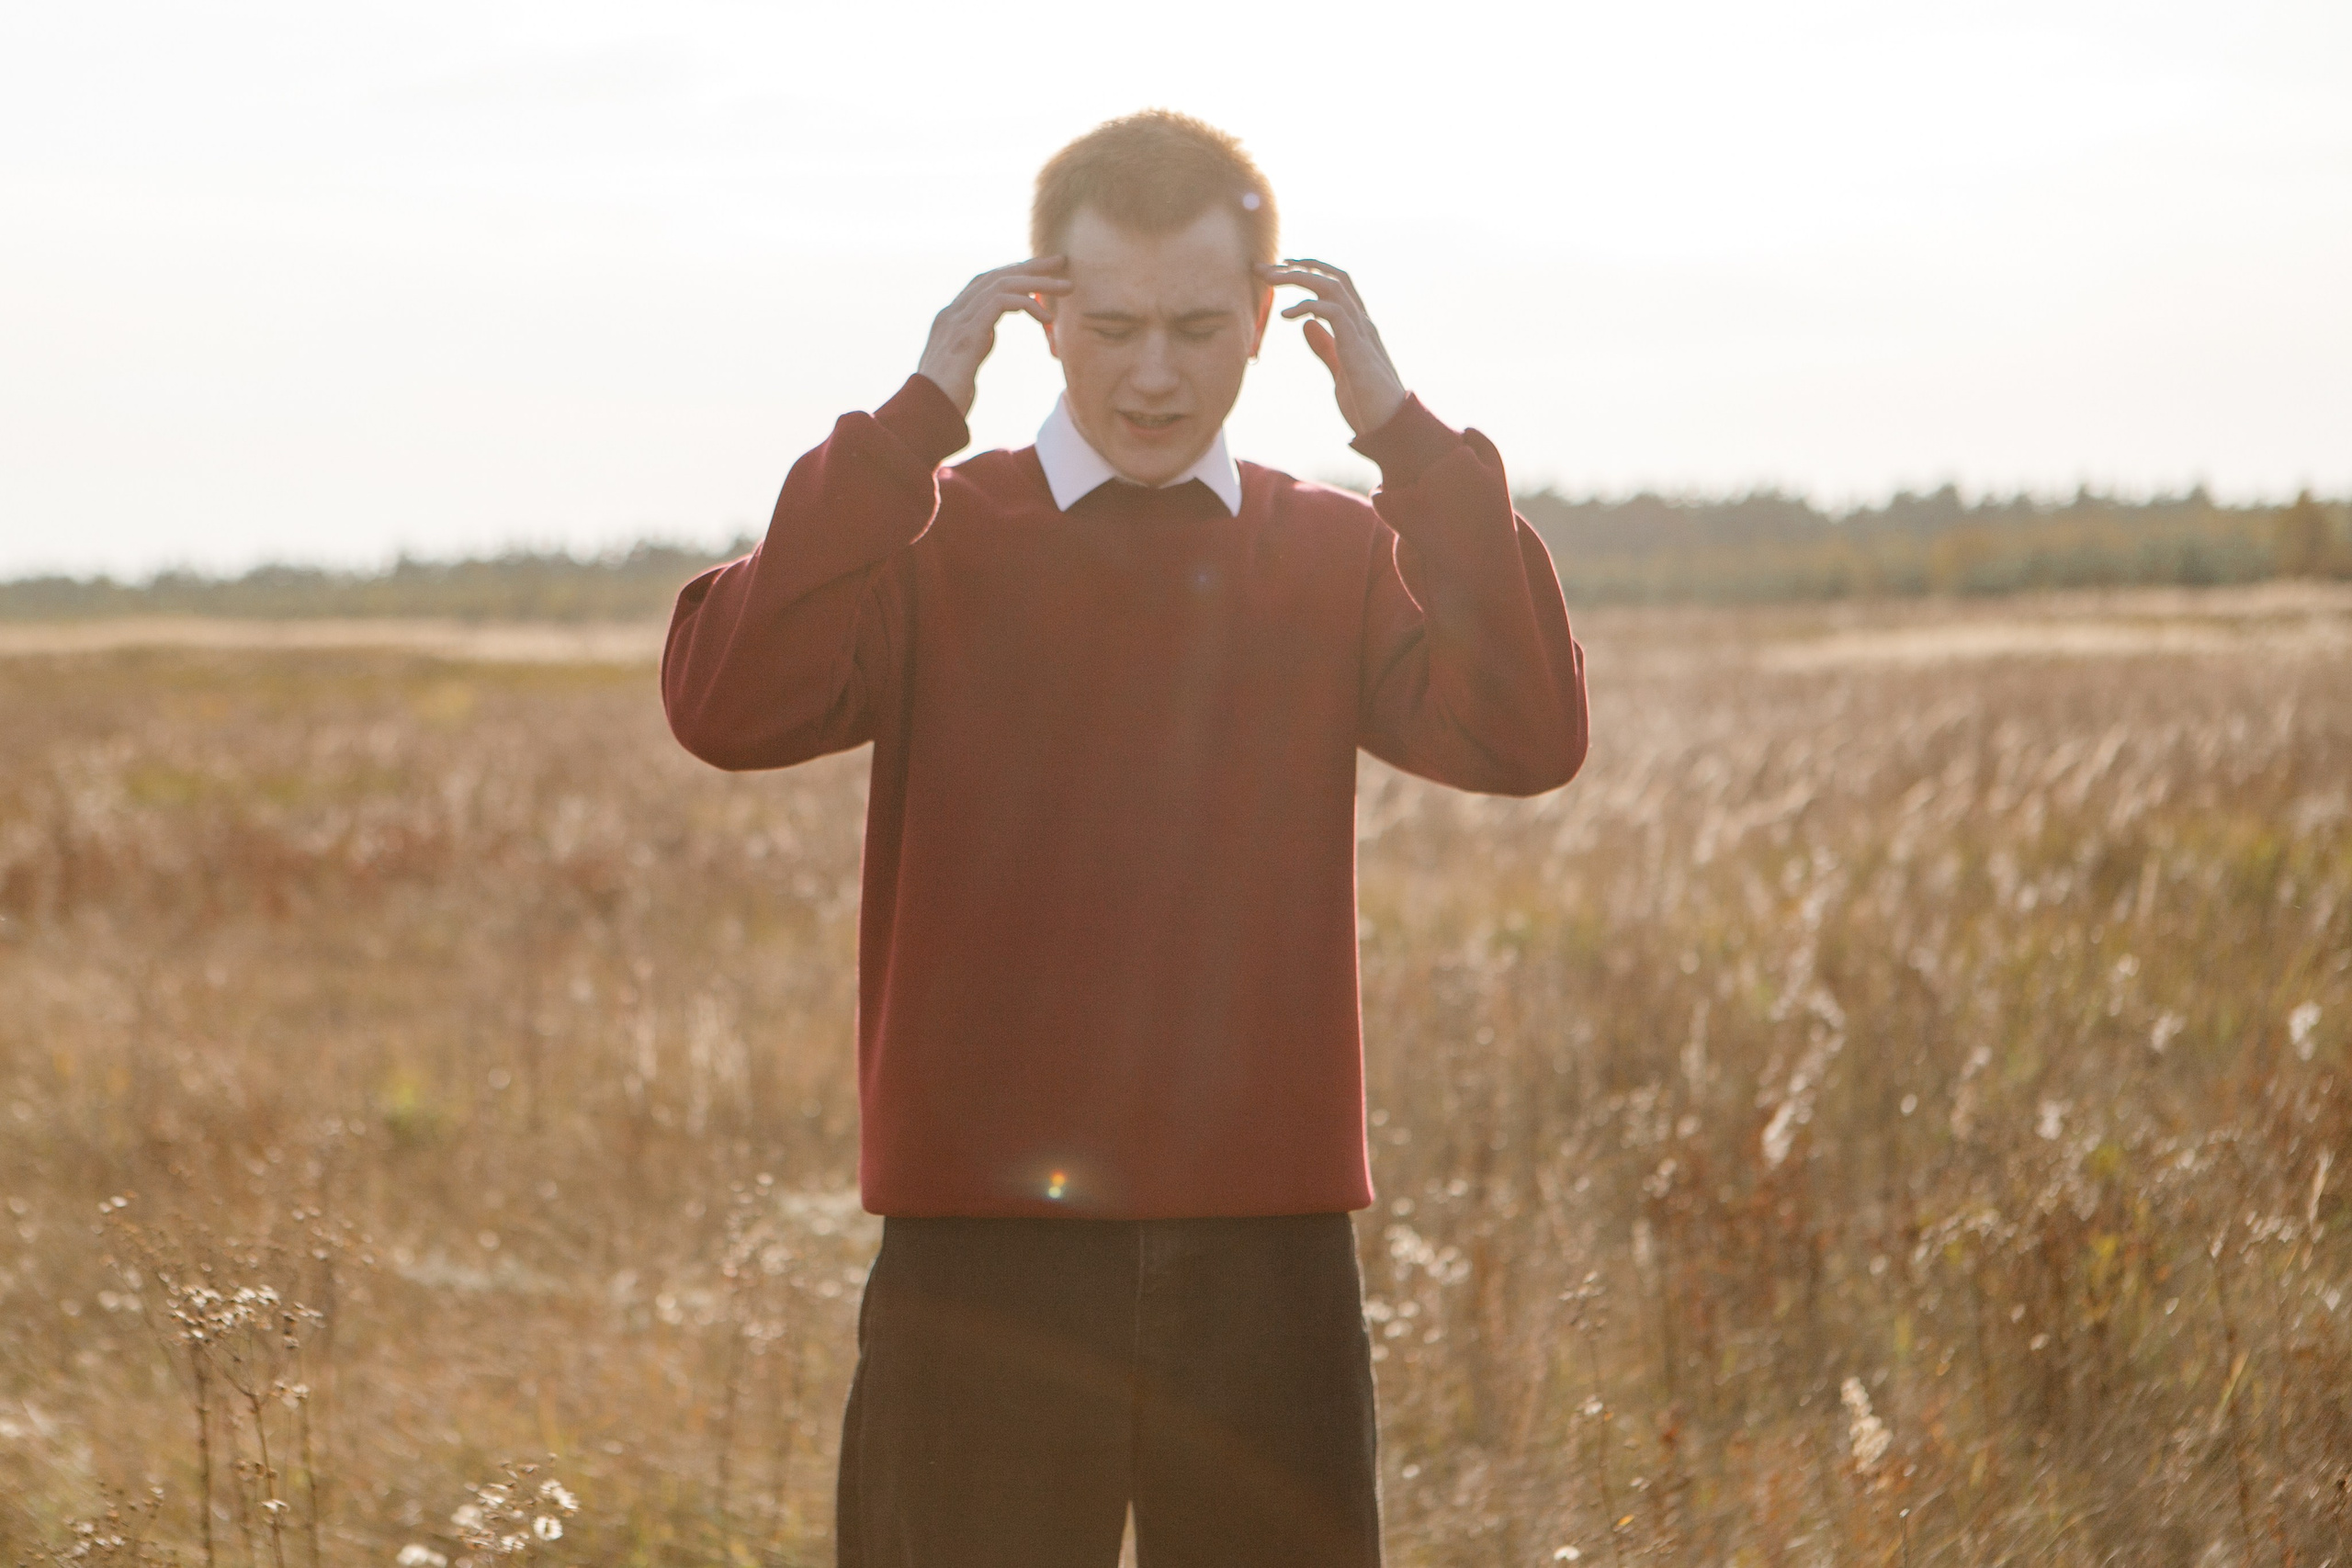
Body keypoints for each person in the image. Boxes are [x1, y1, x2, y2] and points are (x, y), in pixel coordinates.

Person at [662, 108, 1588, 1568]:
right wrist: (909, 422)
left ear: (1270, 324)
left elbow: (1528, 738)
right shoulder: (925, 538)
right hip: (981, 1254)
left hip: (1270, 1257)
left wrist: (1407, 444)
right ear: (1040, 315)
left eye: (1200, 327)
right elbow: (724, 704)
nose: (1155, 373)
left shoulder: (1338, 552)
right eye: (1114, 326)